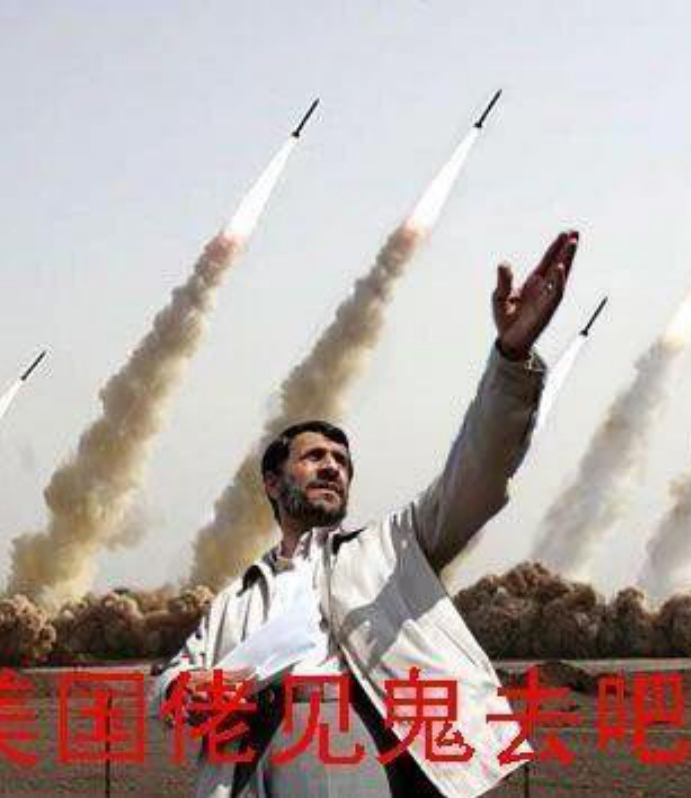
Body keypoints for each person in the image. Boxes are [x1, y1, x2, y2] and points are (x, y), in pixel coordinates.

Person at [153, 230, 580, 797]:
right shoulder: (237, 599)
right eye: (315, 457)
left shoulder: (393, 546)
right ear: (273, 482)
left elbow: (477, 473)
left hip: (353, 752)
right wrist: (184, 690)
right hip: (252, 769)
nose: (333, 467)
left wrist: (511, 359)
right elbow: (172, 681)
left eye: (342, 461)